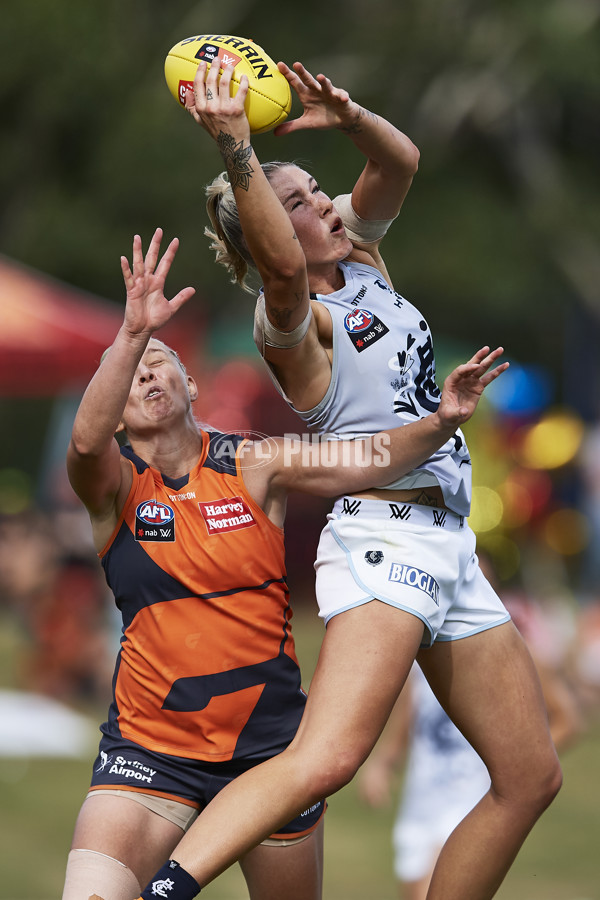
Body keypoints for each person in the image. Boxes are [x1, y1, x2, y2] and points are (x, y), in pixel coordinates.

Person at [136, 59, 562, 900]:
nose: (323, 204)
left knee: (529, 777)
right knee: (327, 759)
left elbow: (398, 163)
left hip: (450, 543)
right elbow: (286, 270)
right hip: (381, 539)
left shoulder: (363, 258)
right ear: (262, 236)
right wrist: (237, 151)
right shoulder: (287, 319)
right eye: (294, 204)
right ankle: (162, 889)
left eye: (317, 190)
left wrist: (348, 115)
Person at [62, 227, 505, 900]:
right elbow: (85, 439)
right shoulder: (111, 486)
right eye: (131, 371)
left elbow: (363, 458)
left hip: (270, 754)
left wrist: (440, 420)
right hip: (149, 753)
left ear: (191, 381)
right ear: (117, 410)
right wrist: (128, 336)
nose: (148, 371)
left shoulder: (253, 460)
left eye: (160, 361)